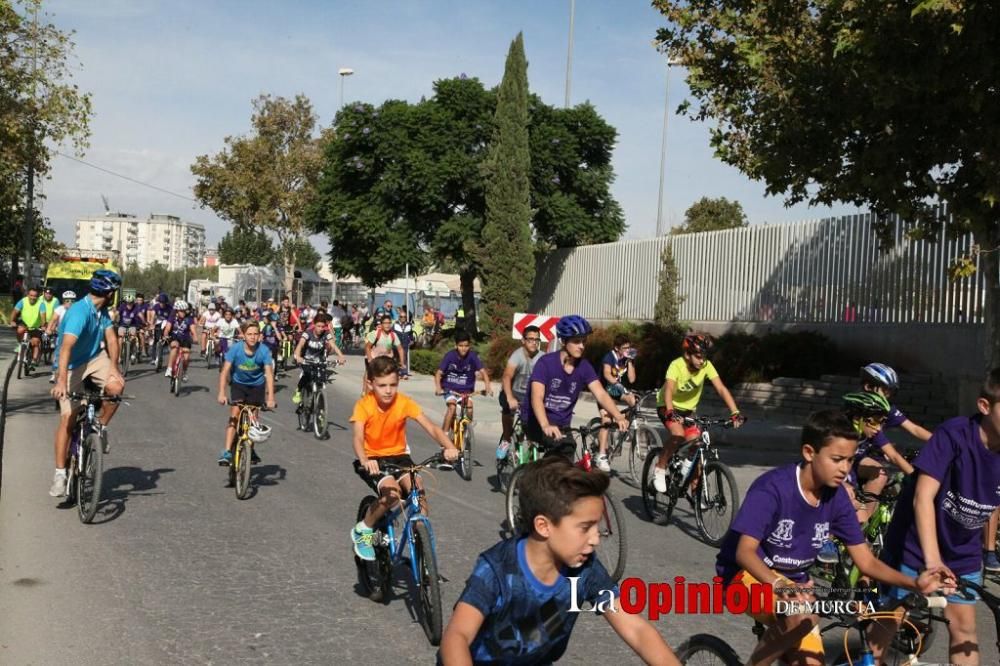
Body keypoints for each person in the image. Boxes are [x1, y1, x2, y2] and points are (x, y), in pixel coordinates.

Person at [715, 410, 952, 666]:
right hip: (743, 576)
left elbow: (866, 562)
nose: (845, 469)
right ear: (809, 452)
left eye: (850, 460)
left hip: (796, 584)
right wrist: (779, 585)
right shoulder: (772, 488)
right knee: (803, 615)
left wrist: (914, 583)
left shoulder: (837, 497)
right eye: (837, 459)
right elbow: (744, 552)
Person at [439, 455, 681, 665]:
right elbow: (456, 637)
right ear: (544, 526)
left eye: (596, 527)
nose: (596, 539)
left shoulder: (586, 569)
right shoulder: (497, 569)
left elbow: (637, 630)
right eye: (585, 528)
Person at [879, 368, 1000, 666]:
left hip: (962, 552)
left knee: (964, 629)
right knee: (887, 622)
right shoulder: (955, 434)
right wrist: (932, 561)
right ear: (985, 406)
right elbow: (923, 497)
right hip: (916, 545)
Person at [349, 357, 459, 560]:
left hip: (400, 457)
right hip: (373, 459)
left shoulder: (404, 402)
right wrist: (365, 460)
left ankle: (422, 541)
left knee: (418, 488)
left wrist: (450, 447)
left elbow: (432, 428)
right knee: (392, 494)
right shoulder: (364, 405)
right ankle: (364, 529)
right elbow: (357, 437)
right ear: (371, 383)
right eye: (382, 385)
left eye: (393, 385)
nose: (388, 390)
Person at [49, 270, 125, 497]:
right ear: (109, 292)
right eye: (115, 291)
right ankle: (60, 474)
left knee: (116, 387)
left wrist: (113, 368)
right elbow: (65, 348)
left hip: (93, 359)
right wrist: (61, 382)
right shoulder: (79, 313)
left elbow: (111, 338)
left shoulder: (102, 312)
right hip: (70, 365)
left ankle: (100, 426)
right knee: (68, 419)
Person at [520, 315, 628, 454]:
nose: (582, 346)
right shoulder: (545, 363)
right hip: (535, 420)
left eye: (584, 341)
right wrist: (545, 424)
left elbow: (600, 393)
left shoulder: (584, 367)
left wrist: (618, 416)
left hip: (562, 425)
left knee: (568, 452)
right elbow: (537, 397)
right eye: (577, 342)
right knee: (561, 449)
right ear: (564, 341)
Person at [651, 334, 744, 493]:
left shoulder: (706, 366)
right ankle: (660, 467)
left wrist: (735, 412)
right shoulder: (677, 365)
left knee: (696, 444)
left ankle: (696, 492)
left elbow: (721, 389)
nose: (702, 361)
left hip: (688, 410)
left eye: (704, 357)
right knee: (678, 435)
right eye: (699, 357)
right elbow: (669, 390)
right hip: (667, 406)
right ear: (687, 354)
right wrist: (670, 411)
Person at [840, 391, 913, 526]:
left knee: (862, 520)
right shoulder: (840, 435)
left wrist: (915, 477)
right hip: (836, 481)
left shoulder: (872, 431)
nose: (878, 428)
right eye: (874, 421)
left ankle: (864, 530)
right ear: (857, 418)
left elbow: (894, 455)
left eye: (882, 422)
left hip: (850, 474)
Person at [216, 320, 276, 466]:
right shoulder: (235, 349)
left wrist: (271, 398)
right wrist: (221, 393)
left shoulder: (264, 351)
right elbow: (224, 372)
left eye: (256, 334)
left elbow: (269, 374)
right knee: (234, 414)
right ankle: (227, 451)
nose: (252, 337)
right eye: (249, 334)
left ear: (260, 336)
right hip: (239, 385)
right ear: (243, 335)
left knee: (253, 418)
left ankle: (251, 449)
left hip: (257, 386)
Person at [495, 325, 543, 459]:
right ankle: (506, 440)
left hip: (529, 397)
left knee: (531, 422)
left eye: (537, 340)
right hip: (512, 392)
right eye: (530, 339)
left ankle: (529, 444)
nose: (534, 342)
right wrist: (510, 398)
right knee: (508, 411)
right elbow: (507, 377)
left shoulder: (542, 357)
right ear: (523, 340)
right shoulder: (517, 356)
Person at [435, 329, 492, 435]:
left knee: (469, 408)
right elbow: (438, 374)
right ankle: (444, 435)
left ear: (469, 346)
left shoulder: (472, 356)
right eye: (461, 346)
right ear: (456, 346)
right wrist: (439, 388)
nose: (463, 349)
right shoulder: (450, 356)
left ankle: (467, 431)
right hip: (450, 390)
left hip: (466, 391)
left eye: (466, 346)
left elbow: (483, 372)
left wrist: (487, 386)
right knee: (452, 407)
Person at [595, 334, 638, 472]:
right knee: (606, 419)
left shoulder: (627, 358)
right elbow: (607, 374)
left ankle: (624, 430)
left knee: (633, 400)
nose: (627, 350)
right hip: (603, 391)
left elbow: (631, 379)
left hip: (616, 390)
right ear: (616, 348)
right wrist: (618, 384)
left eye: (629, 347)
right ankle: (601, 455)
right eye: (624, 348)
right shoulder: (609, 357)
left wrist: (630, 361)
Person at [292, 313, 346, 405]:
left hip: (319, 360)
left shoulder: (326, 334)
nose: (320, 329)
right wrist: (297, 356)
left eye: (322, 326)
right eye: (318, 326)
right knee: (307, 375)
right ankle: (299, 391)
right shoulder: (307, 333)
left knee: (321, 378)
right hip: (306, 360)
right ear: (314, 325)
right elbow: (300, 344)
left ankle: (319, 403)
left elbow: (333, 345)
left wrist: (341, 356)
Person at [363, 314, 403, 394]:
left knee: (385, 379)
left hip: (386, 361)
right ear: (381, 324)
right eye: (385, 323)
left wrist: (402, 362)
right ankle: (366, 394)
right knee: (370, 377)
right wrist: (370, 359)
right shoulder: (376, 334)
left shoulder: (393, 335)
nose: (387, 325)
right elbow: (367, 347)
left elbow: (400, 349)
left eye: (389, 323)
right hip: (375, 359)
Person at [10, 285, 47, 368]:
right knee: (20, 330)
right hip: (24, 323)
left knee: (36, 342)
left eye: (35, 296)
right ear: (28, 295)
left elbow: (43, 316)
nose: (33, 297)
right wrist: (12, 321)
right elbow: (15, 312)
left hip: (35, 326)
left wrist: (44, 325)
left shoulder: (41, 304)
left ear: (37, 296)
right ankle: (20, 345)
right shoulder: (22, 301)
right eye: (31, 295)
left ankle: (33, 361)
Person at [45, 290, 77, 383]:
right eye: (67, 300)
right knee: (59, 352)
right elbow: (53, 319)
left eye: (72, 301)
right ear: (63, 301)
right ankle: (54, 372)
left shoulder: (77, 310)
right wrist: (49, 329)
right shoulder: (59, 309)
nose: (70, 303)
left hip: (74, 335)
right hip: (62, 335)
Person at [163, 301, 197, 381]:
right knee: (175, 346)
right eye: (181, 311)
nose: (183, 313)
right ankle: (169, 368)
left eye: (185, 311)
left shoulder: (189, 319)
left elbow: (193, 330)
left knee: (186, 357)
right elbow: (167, 328)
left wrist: (195, 337)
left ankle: (184, 372)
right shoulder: (172, 317)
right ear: (177, 311)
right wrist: (166, 335)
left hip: (185, 339)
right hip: (174, 337)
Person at [148, 294, 173, 365]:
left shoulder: (170, 308)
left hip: (167, 322)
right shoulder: (156, 306)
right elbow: (153, 316)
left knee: (168, 338)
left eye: (163, 302)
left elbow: (171, 318)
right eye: (161, 302)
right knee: (155, 340)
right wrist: (152, 325)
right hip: (158, 322)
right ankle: (153, 358)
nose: (162, 304)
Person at [392, 311, 414, 377]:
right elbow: (392, 333)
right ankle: (396, 372)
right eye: (401, 317)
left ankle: (404, 372)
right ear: (399, 317)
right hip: (397, 344)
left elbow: (410, 333)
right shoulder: (395, 325)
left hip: (405, 343)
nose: (403, 318)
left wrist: (411, 340)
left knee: (404, 358)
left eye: (404, 317)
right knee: (396, 358)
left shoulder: (409, 325)